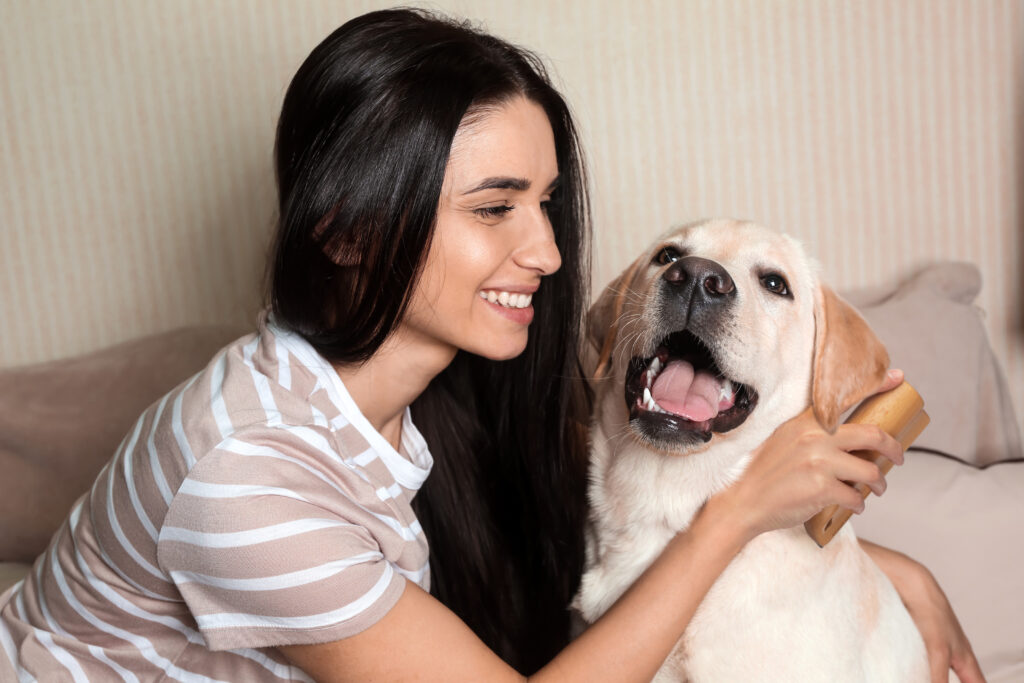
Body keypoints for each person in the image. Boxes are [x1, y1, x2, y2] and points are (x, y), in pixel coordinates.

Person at [0, 8, 983, 682]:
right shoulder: (241, 472)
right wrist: (731, 523)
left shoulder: (444, 384)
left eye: (544, 202)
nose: (548, 251)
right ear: (346, 228)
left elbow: (635, 512)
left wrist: (898, 572)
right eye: (495, 207)